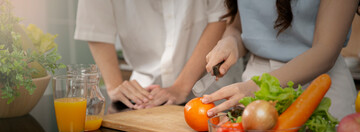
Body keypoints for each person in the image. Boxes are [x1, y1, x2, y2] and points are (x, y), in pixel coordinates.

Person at [202, 0, 360, 120]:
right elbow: (241, 25)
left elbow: (326, 50)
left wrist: (257, 87)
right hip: (254, 84)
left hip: (321, 86)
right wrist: (231, 40)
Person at [74, 1, 243, 110]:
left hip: (210, 88)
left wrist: (180, 87)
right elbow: (96, 25)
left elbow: (220, 17)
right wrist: (114, 86)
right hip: (145, 96)